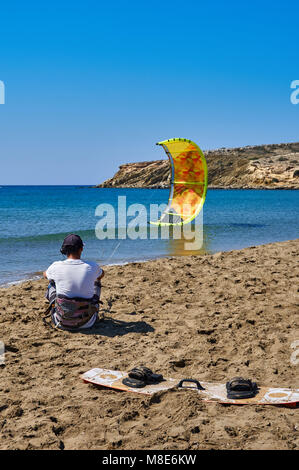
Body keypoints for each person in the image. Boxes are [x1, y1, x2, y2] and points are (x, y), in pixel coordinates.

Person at [43, 234, 104, 329]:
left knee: (51, 283)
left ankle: (56, 307)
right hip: (87, 322)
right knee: (97, 282)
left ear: (64, 250)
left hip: (61, 322)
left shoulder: (56, 266)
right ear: (81, 249)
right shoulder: (92, 266)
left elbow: (45, 275)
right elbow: (101, 275)